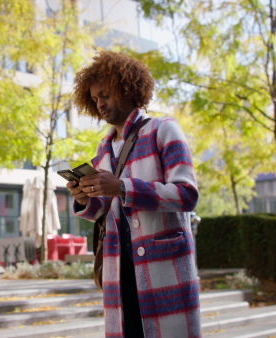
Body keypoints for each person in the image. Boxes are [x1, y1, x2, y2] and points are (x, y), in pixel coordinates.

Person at [68, 50, 201, 337]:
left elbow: (187, 195)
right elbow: (103, 210)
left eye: (105, 95)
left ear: (127, 88)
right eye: (94, 99)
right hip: (118, 269)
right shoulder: (103, 149)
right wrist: (84, 197)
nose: (100, 104)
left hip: (163, 268)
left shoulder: (163, 130)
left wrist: (123, 188)